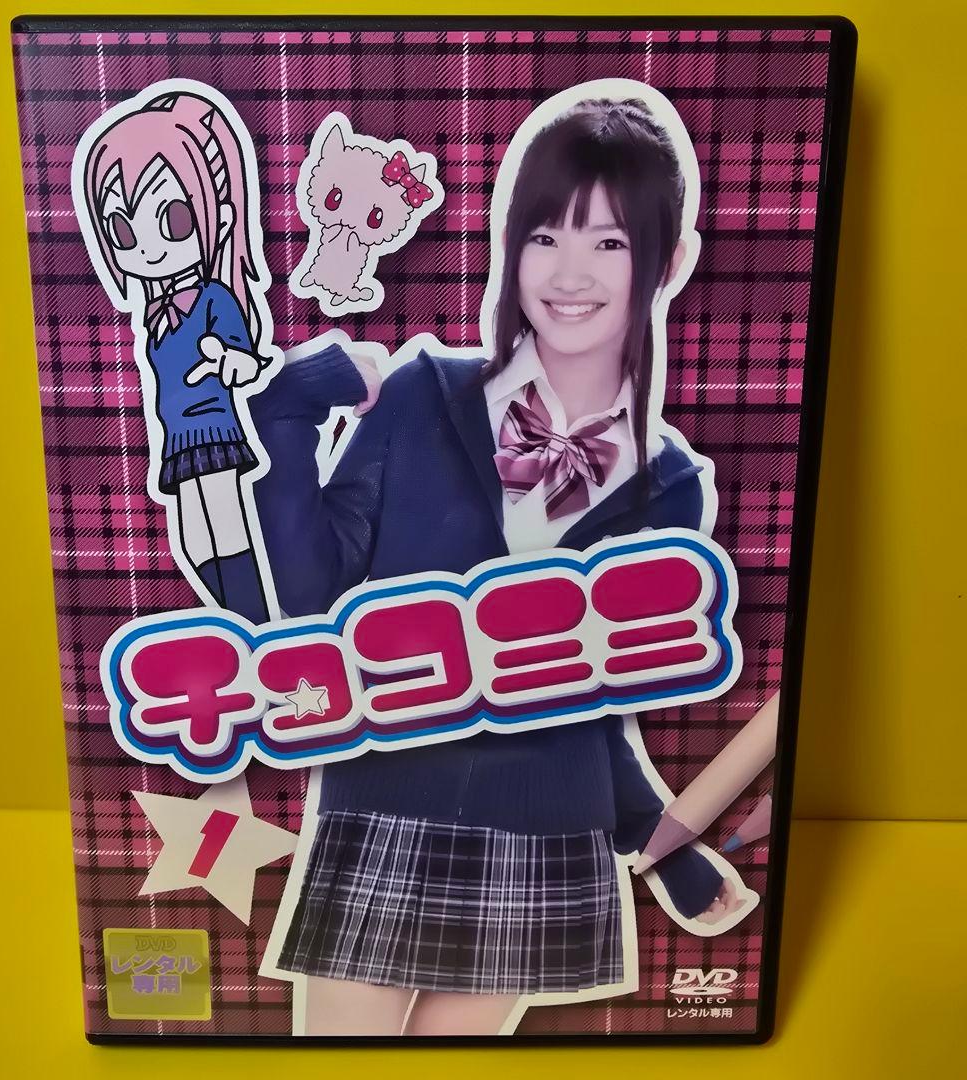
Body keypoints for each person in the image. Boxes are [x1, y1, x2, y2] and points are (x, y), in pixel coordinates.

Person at [249, 91, 746, 1036]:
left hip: (545, 832)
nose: (570, 273)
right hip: (384, 804)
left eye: (609, 241)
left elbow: (589, 698)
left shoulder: (670, 486)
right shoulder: (422, 395)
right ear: (509, 246)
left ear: (672, 260)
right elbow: (312, 605)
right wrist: (284, 415)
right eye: (545, 236)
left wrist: (664, 847)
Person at [77, 89, 275, 618]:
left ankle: (255, 623)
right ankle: (235, 621)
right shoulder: (154, 312)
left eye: (174, 219)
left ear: (219, 218)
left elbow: (245, 359)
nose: (147, 248)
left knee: (226, 523)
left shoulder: (214, 299)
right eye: (123, 231)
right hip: (176, 435)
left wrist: (231, 362)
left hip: (213, 425)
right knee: (192, 538)